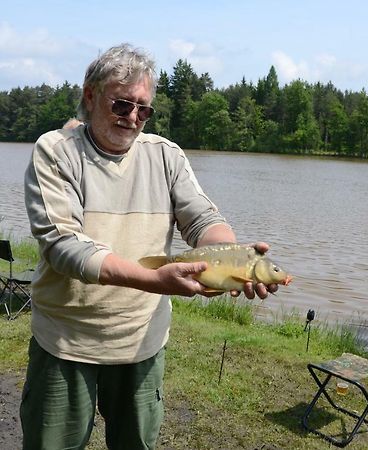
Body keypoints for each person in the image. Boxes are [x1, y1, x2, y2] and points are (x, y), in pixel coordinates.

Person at [21, 43, 276, 450]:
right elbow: (63, 245)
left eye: (144, 109)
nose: (134, 118)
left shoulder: (167, 156)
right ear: (91, 95)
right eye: (122, 105)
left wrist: (235, 258)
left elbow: (204, 221)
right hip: (65, 344)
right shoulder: (56, 152)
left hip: (141, 343)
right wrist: (153, 280)